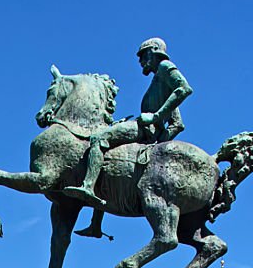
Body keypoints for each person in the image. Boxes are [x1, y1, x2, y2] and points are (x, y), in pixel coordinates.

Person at [63, 37, 193, 208]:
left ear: (153, 51)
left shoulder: (164, 67)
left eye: (142, 55)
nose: (140, 61)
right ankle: (95, 224)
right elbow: (178, 124)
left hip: (146, 129)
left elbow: (184, 88)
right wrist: (159, 141)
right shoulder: (160, 81)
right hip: (150, 131)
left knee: (99, 138)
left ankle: (88, 186)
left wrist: (155, 119)